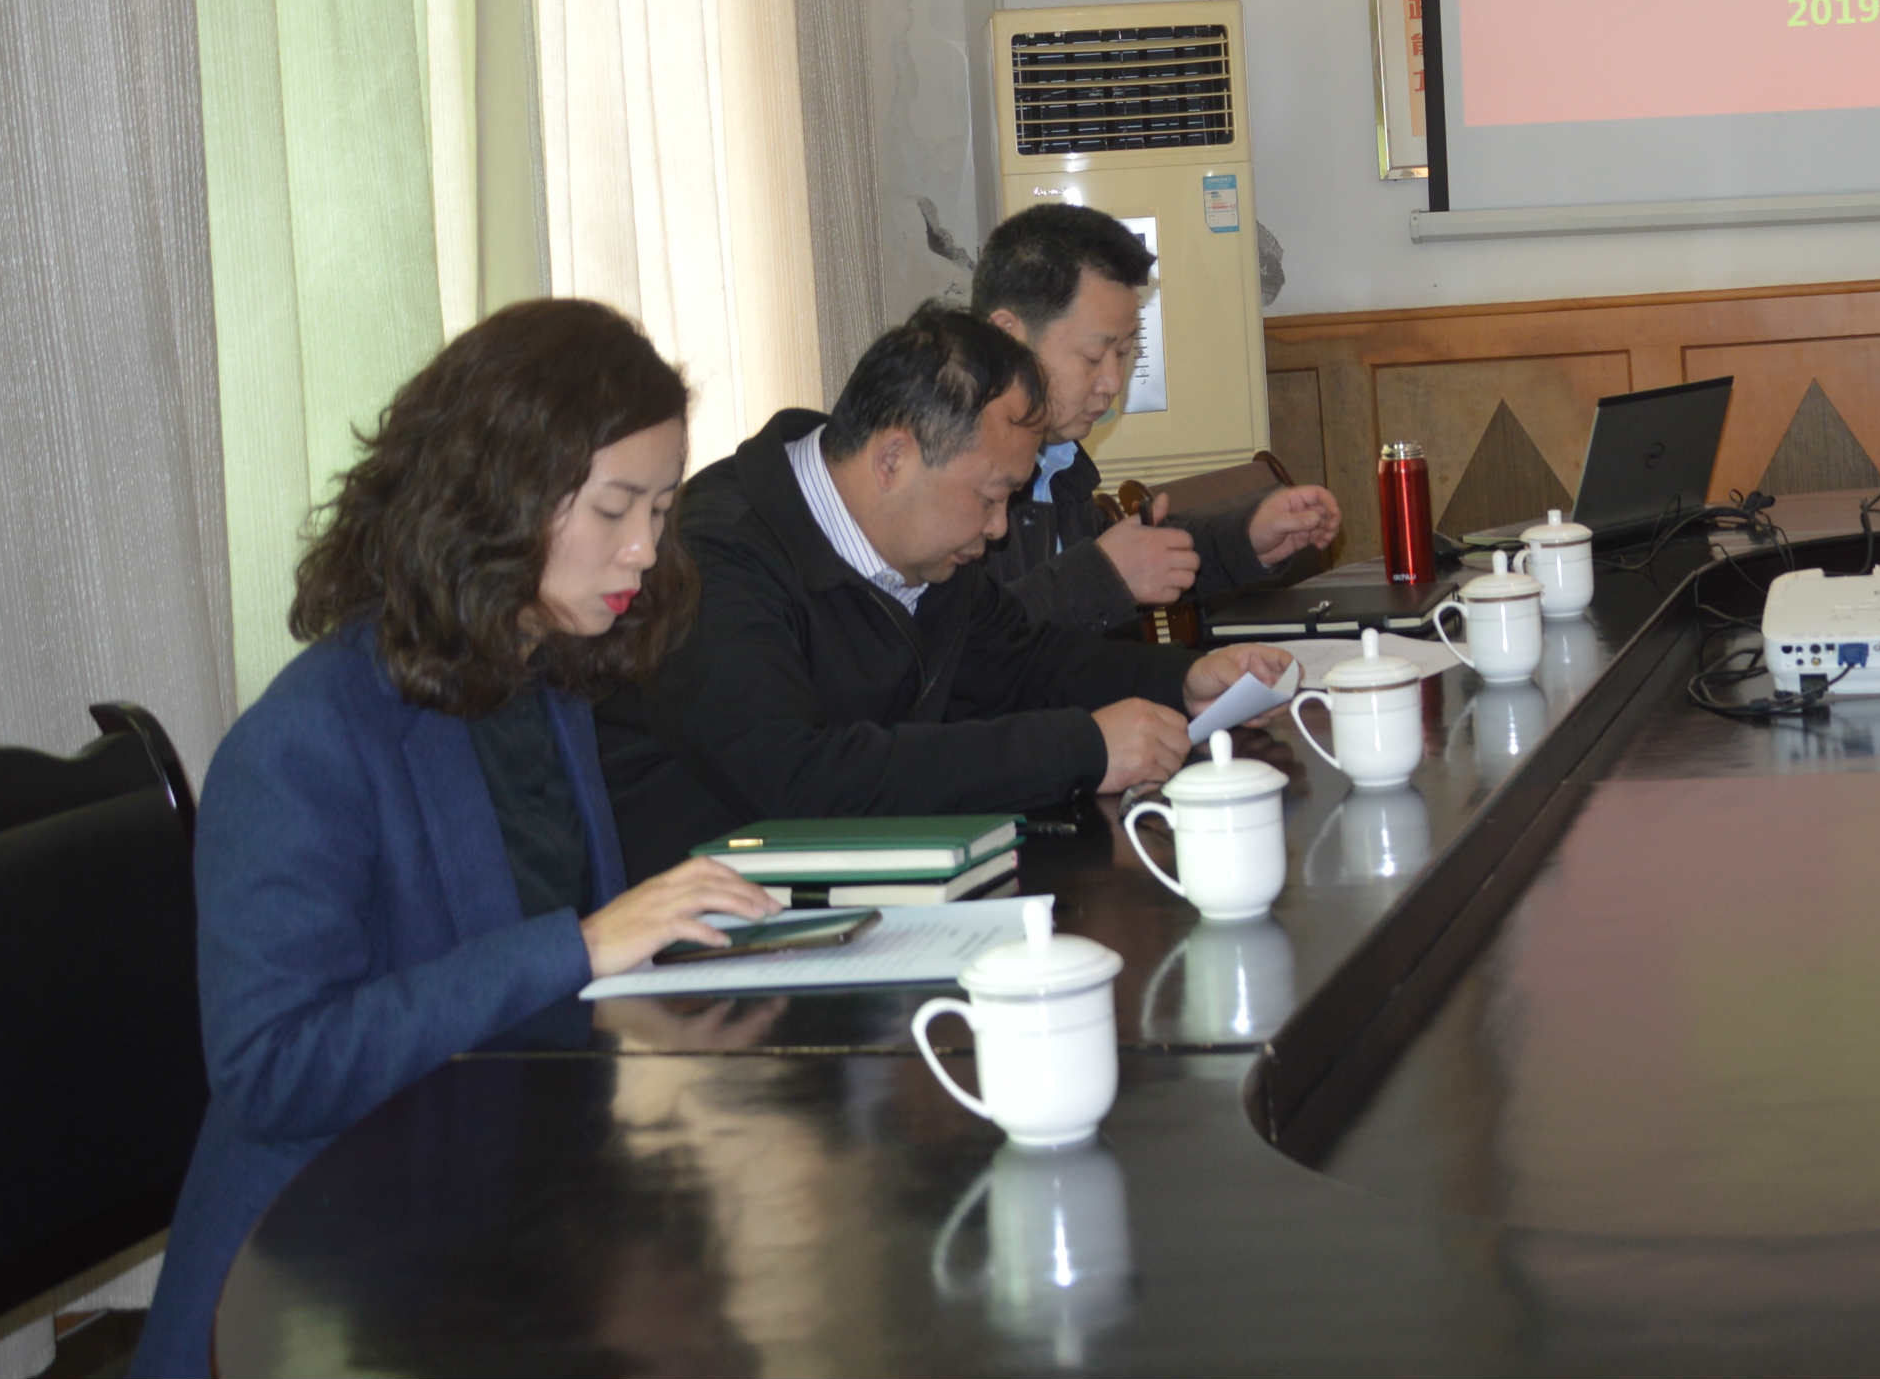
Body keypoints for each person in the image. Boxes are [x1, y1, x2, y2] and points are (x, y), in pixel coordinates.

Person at [137, 300, 781, 1379]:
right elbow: (275, 1070)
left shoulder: (544, 681)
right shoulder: (305, 740)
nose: (644, 548)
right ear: (495, 497)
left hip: (492, 1209)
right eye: (615, 508)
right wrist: (583, 944)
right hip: (319, 1281)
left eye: (663, 508)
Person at [595, 304, 1293, 876]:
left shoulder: (925, 552)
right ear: (894, 458)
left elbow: (1020, 663)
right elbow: (798, 780)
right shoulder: (715, 555)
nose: (998, 528)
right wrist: (1077, 748)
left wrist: (1183, 682)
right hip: (700, 945)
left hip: (856, 897)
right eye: (989, 496)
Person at [971, 203, 1341, 639]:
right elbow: (967, 649)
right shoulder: (948, 478)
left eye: (1124, 354)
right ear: (1008, 335)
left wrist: (1250, 536)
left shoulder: (1056, 461)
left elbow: (1141, 560)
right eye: (1093, 356)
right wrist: (1103, 577)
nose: (1113, 382)